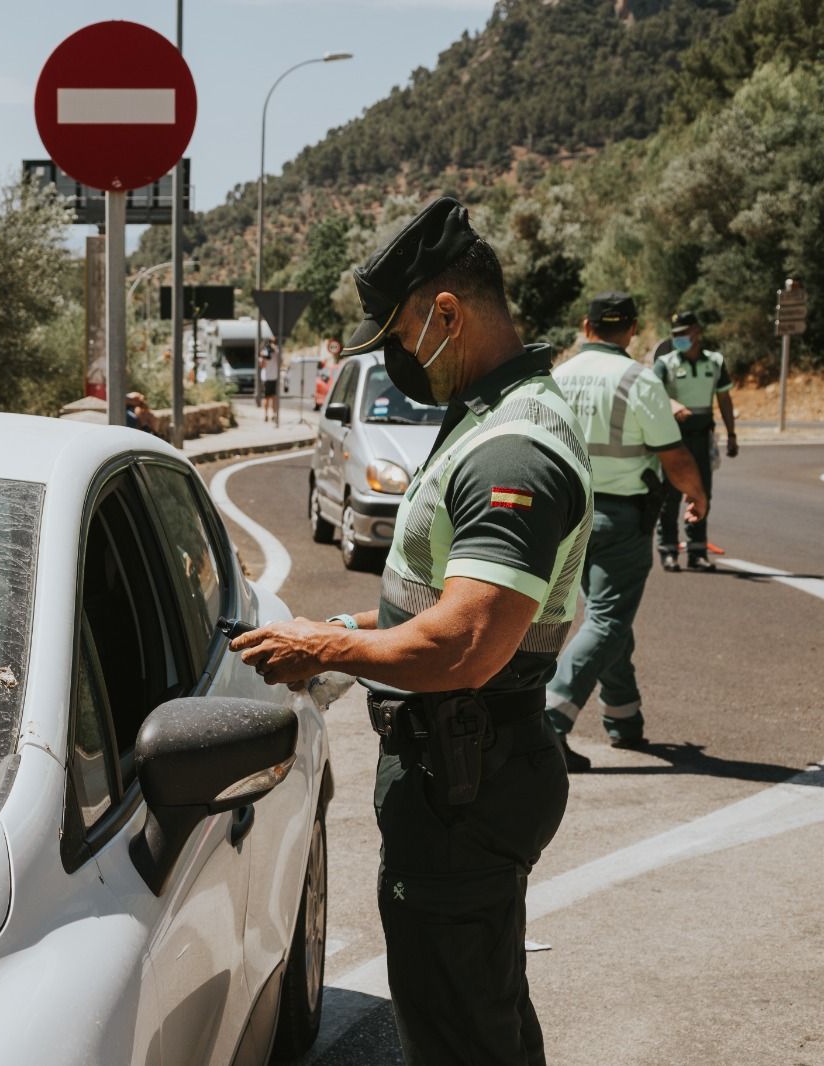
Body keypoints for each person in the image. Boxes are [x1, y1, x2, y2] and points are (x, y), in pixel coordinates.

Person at [230, 197, 586, 1065]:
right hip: (461, 766)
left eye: (395, 333)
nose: (393, 354)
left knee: (460, 1027)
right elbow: (432, 608)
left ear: (446, 314)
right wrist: (345, 628)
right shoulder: (485, 414)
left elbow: (464, 645)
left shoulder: (512, 450)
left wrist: (325, 650)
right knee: (478, 1005)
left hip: (466, 772)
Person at [544, 294, 709, 770]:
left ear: (585, 325)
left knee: (604, 617)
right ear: (632, 329)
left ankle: (624, 719)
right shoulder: (640, 379)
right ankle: (550, 722)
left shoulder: (557, 376)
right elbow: (673, 456)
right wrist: (698, 495)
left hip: (567, 517)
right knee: (609, 621)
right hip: (620, 517)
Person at [653, 310, 737, 571]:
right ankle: (668, 549)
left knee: (702, 494)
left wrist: (732, 434)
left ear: (696, 332)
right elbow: (651, 396)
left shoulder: (714, 362)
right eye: (675, 334)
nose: (679, 338)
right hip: (674, 438)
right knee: (670, 495)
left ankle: (697, 551)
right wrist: (671, 403)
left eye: (683, 333)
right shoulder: (665, 363)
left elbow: (724, 398)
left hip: (702, 437)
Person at [259, 339, 281, 421]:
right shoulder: (264, 353)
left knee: (273, 397)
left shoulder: (276, 352)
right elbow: (262, 365)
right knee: (267, 397)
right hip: (266, 378)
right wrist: (264, 356)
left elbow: (281, 362)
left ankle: (273, 415)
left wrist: (275, 351)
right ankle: (265, 415)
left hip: (273, 377)